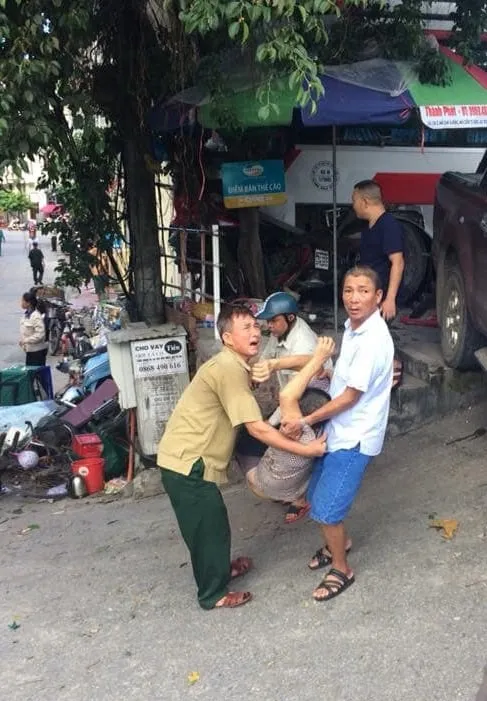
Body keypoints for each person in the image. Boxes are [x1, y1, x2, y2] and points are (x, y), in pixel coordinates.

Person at [157, 303, 326, 611]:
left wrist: (312, 359)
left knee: (214, 522)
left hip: (187, 459)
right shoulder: (229, 369)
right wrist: (308, 449)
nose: (255, 332)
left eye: (255, 326)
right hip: (186, 462)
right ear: (227, 337)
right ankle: (213, 594)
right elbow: (258, 430)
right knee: (206, 526)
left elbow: (300, 360)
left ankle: (220, 570)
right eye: (245, 328)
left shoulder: (238, 362)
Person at [282, 266, 394, 602]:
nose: (354, 298)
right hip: (338, 430)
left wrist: (306, 419)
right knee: (317, 497)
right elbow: (338, 378)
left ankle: (342, 567)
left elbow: (350, 397)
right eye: (348, 290)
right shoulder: (354, 328)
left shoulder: (373, 340)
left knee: (328, 509)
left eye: (363, 291)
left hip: (355, 438)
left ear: (378, 297)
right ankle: (339, 544)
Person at [237, 291, 333, 524]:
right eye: (268, 321)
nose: (269, 325)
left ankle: (299, 497)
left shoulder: (303, 342)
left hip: (312, 402)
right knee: (257, 440)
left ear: (289, 318)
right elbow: (267, 357)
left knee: (286, 445)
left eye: (273, 320)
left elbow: (290, 395)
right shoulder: (280, 333)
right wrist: (255, 373)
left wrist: (271, 425)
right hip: (292, 401)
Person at [246, 350, 334, 507]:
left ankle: (296, 501)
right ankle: (300, 499)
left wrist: (320, 357)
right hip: (295, 488)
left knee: (245, 442)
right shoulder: (321, 428)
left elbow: (286, 396)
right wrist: (326, 371)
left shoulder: (296, 430)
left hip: (264, 485)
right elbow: (314, 372)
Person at [352, 180, 405, 321]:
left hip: (381, 298)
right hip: (367, 294)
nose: (353, 205)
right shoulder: (368, 226)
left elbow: (398, 262)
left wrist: (390, 299)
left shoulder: (388, 225)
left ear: (364, 202)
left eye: (354, 200)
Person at [19, 292, 48, 366]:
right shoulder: (27, 315)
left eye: (23, 301)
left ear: (28, 303)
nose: (21, 303)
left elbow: (40, 334)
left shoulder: (36, 316)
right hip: (30, 351)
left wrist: (26, 340)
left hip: (37, 352)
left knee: (36, 375)